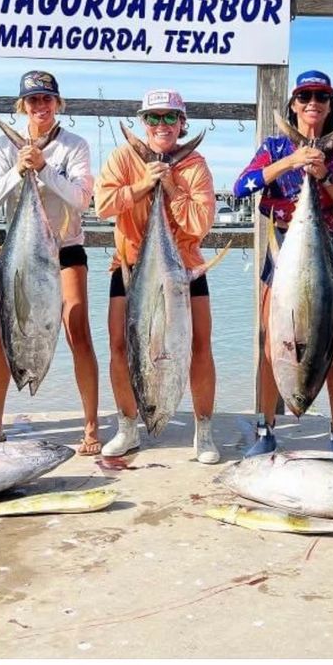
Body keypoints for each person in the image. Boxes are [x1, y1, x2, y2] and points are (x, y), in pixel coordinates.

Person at [233, 70, 333, 457]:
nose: (312, 103)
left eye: (320, 97)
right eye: (305, 96)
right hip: (283, 253)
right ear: (293, 104)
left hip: (327, 258)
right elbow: (243, 187)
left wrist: (323, 176)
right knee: (272, 347)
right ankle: (264, 430)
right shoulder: (275, 148)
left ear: (330, 105)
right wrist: (291, 161)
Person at [94, 88, 220, 463]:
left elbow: (199, 224)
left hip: (184, 267)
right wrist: (142, 184)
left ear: (182, 124)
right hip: (133, 266)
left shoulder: (194, 164)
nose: (161, 124)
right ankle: (128, 427)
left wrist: (171, 186)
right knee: (119, 345)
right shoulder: (122, 157)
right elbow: (102, 206)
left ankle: (204, 431)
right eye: (153, 117)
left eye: (170, 117)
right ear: (142, 122)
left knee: (200, 345)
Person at [0, 70, 101, 454]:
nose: (40, 107)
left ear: (58, 103)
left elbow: (82, 199)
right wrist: (20, 169)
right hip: (20, 253)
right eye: (33, 101)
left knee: (76, 328)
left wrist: (44, 168)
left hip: (64, 250)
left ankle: (91, 427)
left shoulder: (75, 145)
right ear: (22, 106)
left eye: (47, 99)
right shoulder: (4, 147)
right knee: (1, 336)